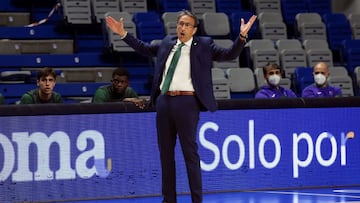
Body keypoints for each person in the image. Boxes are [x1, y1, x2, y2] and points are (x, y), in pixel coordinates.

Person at [106, 10, 257, 203]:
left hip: (187, 103)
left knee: (190, 154)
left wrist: (242, 36)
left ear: (194, 29)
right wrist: (123, 34)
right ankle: (169, 199)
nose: (182, 27)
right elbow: (143, 48)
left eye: (187, 25)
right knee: (165, 154)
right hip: (164, 102)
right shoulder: (167, 43)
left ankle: (196, 200)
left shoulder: (203, 44)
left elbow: (228, 55)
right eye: (180, 24)